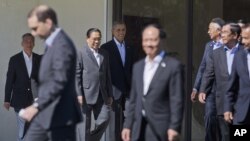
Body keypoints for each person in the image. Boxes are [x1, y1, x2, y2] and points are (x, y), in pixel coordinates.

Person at [19, 5, 82, 141]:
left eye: (35, 28)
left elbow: (59, 80)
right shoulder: (51, 43)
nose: (33, 33)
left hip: (61, 116)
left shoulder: (62, 44)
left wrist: (36, 105)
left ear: (48, 22)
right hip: (47, 115)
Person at [121, 24, 184, 141]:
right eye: (146, 40)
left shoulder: (173, 66)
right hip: (138, 127)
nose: (149, 44)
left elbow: (177, 100)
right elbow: (134, 100)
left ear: (160, 41)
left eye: (153, 40)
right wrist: (127, 126)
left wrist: (174, 127)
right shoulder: (138, 67)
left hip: (161, 128)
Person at [199, 23, 243, 141]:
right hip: (222, 102)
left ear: (234, 35)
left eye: (225, 32)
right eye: (221, 32)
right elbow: (209, 72)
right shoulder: (216, 53)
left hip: (241, 102)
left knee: (240, 134)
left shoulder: (245, 52)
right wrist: (203, 89)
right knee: (225, 135)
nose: (221, 35)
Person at [190, 18, 225, 141]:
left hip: (225, 92)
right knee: (209, 119)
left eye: (210, 29)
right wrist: (196, 88)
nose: (208, 31)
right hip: (209, 91)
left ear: (219, 30)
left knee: (223, 125)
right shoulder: (208, 46)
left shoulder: (229, 45)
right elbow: (202, 68)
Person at [75, 28, 113, 141]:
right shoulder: (80, 53)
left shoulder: (104, 53)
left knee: (105, 118)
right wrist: (78, 94)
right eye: (94, 39)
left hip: (102, 94)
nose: (97, 41)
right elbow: (76, 75)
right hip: (85, 95)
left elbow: (108, 75)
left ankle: (91, 139)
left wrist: (110, 94)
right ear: (87, 39)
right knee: (84, 127)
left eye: (99, 39)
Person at [3, 33, 41, 141]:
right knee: (23, 129)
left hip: (35, 101)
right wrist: (7, 100)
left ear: (34, 44)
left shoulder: (39, 59)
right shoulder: (14, 60)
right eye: (26, 41)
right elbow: (10, 80)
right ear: (22, 43)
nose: (28, 44)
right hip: (19, 100)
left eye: (31, 41)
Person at [100, 21, 134, 141]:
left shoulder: (130, 47)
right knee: (114, 124)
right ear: (113, 31)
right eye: (118, 30)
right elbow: (103, 72)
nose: (121, 32)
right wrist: (106, 91)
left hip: (128, 91)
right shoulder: (105, 48)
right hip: (113, 90)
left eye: (123, 30)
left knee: (127, 123)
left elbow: (133, 68)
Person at [224, 23, 250, 125]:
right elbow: (231, 86)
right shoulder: (239, 56)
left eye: (247, 38)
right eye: (242, 38)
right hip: (241, 114)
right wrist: (227, 108)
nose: (243, 42)